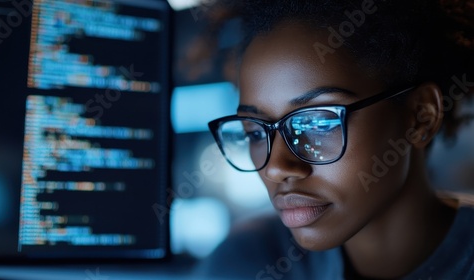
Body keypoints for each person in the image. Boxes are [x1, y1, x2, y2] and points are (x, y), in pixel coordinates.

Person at [192, 0, 474, 279]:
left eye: (317, 123)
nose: (275, 168)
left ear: (419, 116)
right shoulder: (247, 259)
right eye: (255, 132)